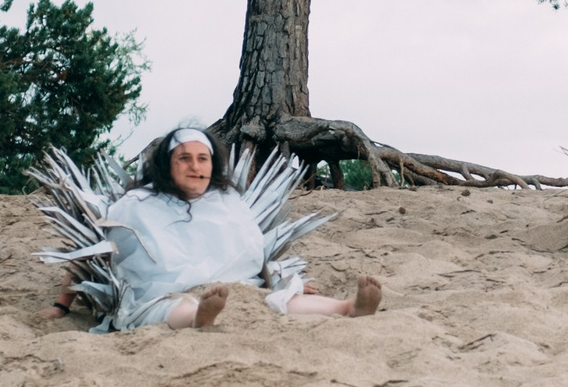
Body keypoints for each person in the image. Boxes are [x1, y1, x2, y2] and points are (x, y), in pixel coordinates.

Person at [76, 127, 381, 328]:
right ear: (166, 164)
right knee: (171, 309)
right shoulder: (136, 203)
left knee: (281, 301)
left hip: (236, 288)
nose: (195, 166)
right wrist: (60, 305)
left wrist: (276, 277)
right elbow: (91, 254)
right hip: (162, 294)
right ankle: (199, 318)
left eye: (202, 159)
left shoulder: (225, 201)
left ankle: (347, 307)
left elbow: (251, 253)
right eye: (184, 158)